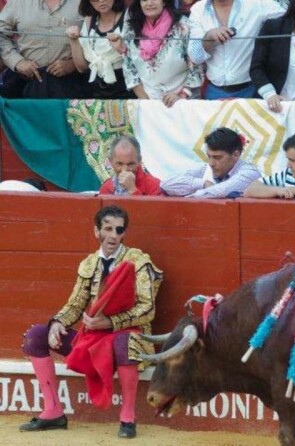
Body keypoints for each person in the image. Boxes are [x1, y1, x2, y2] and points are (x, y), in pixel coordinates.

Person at [19, 205, 163, 438]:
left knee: (125, 342)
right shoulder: (89, 264)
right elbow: (76, 304)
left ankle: (127, 417)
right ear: (96, 231)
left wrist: (111, 323)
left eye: (119, 230)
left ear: (124, 233)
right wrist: (57, 323)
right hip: (95, 337)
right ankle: (53, 411)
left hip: (130, 337)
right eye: (108, 229)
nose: (113, 235)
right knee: (36, 335)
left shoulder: (138, 260)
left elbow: (147, 309)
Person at [109, 0, 202, 106]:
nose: (149, 3)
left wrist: (182, 95)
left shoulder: (183, 26)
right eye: (144, 0)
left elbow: (197, 65)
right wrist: (147, 102)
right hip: (147, 102)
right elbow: (129, 67)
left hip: (182, 102)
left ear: (164, 1)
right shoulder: (133, 28)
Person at [187, 0, 284, 100]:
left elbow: (290, 18)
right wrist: (209, 38)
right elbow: (196, 57)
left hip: (250, 90)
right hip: (214, 91)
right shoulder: (199, 9)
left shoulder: (257, 3)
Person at [0, 0, 88, 98]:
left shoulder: (84, 2)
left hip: (73, 82)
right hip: (28, 81)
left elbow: (97, 33)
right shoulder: (19, 2)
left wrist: (73, 64)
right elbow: (1, 33)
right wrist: (17, 62)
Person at [160, 127, 261, 198]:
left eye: (217, 157)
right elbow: (166, 184)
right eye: (209, 157)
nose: (211, 163)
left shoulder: (249, 173)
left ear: (235, 155)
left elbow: (220, 192)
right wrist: (203, 183)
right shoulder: (206, 168)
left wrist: (189, 197)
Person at [65, 0, 134, 99]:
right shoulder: (89, 20)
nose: (101, 1)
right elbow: (81, 68)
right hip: (94, 90)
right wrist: (74, 40)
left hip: (126, 88)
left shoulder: (128, 18)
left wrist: (120, 49)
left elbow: (138, 60)